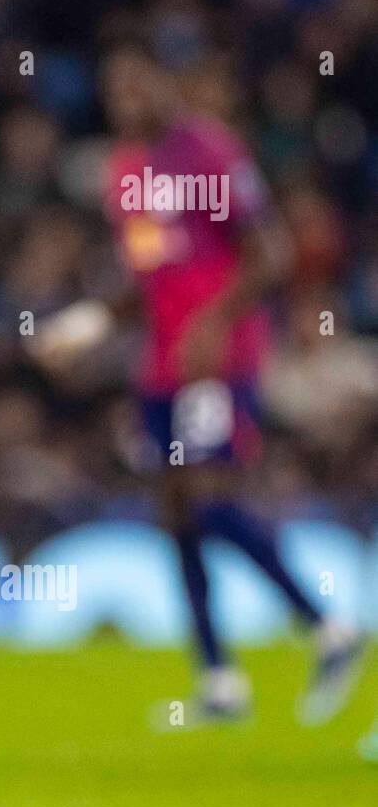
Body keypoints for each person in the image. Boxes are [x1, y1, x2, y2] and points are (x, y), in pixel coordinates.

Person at [37, 45, 364, 724]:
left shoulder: (211, 151)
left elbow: (269, 252)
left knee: (209, 499)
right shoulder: (124, 172)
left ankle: (326, 625)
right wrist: (90, 322)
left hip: (219, 359)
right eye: (116, 93)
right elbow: (145, 274)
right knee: (178, 515)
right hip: (161, 364)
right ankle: (219, 679)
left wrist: (214, 323)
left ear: (165, 84)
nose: (127, 103)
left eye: (138, 86)